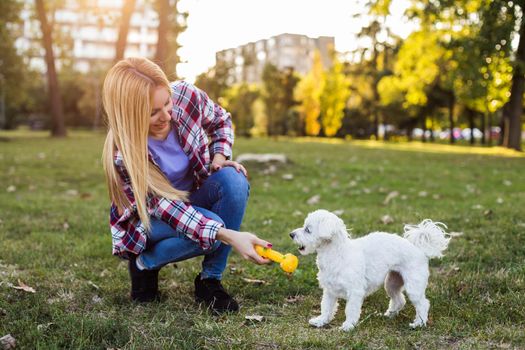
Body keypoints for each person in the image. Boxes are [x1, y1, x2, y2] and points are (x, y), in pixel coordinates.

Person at [101, 57, 271, 314]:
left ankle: (209, 281)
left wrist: (218, 159)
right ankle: (145, 263)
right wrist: (229, 236)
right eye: (152, 113)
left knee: (233, 181)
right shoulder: (124, 154)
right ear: (130, 115)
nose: (166, 116)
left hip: (192, 195)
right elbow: (168, 208)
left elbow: (221, 120)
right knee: (212, 233)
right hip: (152, 218)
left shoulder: (186, 96)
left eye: (167, 103)